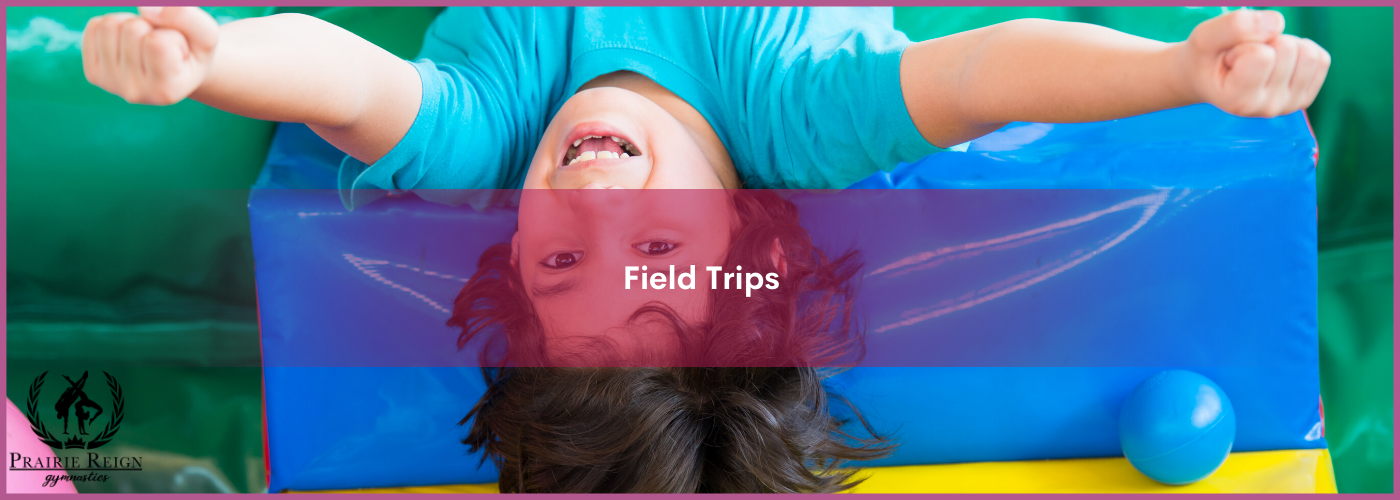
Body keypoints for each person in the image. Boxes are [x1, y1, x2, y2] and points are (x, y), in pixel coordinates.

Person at [82, 7, 1328, 205]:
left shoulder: (485, 133)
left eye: (556, 253)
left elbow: (343, 81)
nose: (592, 203)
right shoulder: (800, 121)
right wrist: (1176, 70)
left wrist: (208, 61)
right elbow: (978, 74)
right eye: (658, 248)